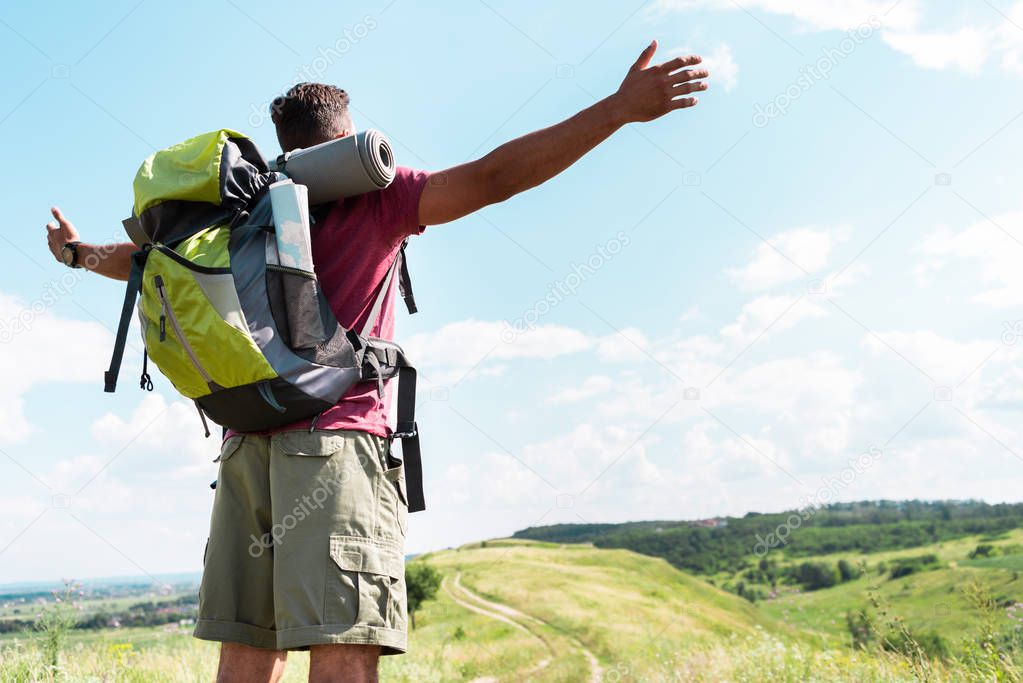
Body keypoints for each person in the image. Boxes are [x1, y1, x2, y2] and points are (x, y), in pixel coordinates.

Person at [44, 41, 709, 683]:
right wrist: (616, 110)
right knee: (344, 652)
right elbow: (492, 178)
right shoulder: (376, 194)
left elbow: (144, 266)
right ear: (346, 138)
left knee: (246, 658)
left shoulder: (238, 212)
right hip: (334, 447)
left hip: (245, 446)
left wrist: (77, 254)